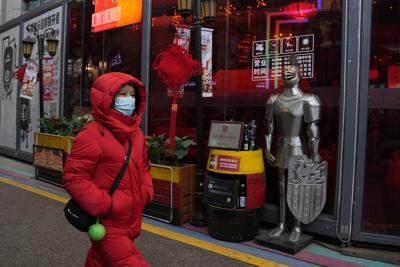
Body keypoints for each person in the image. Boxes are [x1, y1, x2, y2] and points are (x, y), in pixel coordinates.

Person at [63, 72, 154, 266]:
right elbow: (74, 176)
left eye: (132, 95)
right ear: (108, 98)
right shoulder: (91, 135)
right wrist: (105, 205)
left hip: (131, 220)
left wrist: (146, 191)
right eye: (123, 94)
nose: (129, 100)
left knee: (99, 261)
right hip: (106, 224)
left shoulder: (136, 134)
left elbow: (144, 167)